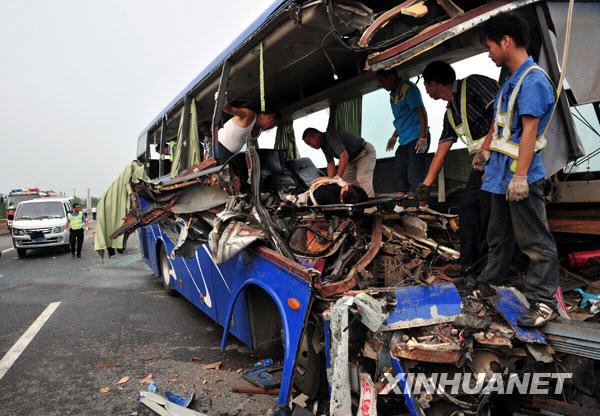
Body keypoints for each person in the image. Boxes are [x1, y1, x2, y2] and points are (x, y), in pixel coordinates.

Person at [472, 12, 559, 327]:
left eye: (490, 47)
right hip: (499, 176)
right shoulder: (510, 78)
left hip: (520, 177)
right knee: (498, 236)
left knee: (534, 241)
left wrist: (521, 177)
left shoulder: (533, 79)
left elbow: (530, 131)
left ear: (506, 42)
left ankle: (543, 301)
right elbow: (500, 124)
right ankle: (489, 282)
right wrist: (484, 151)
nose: (489, 53)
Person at [417, 61, 499, 278]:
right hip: (480, 164)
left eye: (426, 85)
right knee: (467, 208)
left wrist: (486, 150)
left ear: (434, 82)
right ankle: (468, 263)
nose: (426, 90)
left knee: (490, 213)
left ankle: (488, 269)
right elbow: (441, 151)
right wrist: (425, 185)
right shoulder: (450, 113)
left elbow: (501, 112)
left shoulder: (473, 84)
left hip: (500, 159)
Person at [376, 69, 429, 196]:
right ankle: (400, 207)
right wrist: (394, 137)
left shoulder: (408, 88)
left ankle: (422, 206)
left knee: (415, 174)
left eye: (382, 81)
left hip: (416, 136)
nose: (382, 86)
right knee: (399, 175)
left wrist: (423, 137)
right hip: (404, 139)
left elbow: (422, 111)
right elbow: (403, 118)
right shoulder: (393, 95)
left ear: (392, 76)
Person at [301, 128, 376, 197]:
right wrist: (330, 180)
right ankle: (357, 206)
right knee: (346, 183)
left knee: (362, 179)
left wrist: (337, 177)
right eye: (308, 144)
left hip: (364, 153)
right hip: (351, 160)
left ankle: (371, 210)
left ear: (317, 134)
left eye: (310, 141)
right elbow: (330, 163)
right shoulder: (324, 146)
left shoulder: (331, 137)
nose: (311, 146)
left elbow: (344, 156)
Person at [216, 104, 280, 164]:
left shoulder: (259, 131)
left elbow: (251, 147)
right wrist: (223, 101)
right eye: (273, 125)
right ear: (270, 117)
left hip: (232, 154)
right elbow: (229, 109)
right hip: (220, 147)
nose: (271, 128)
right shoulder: (248, 115)